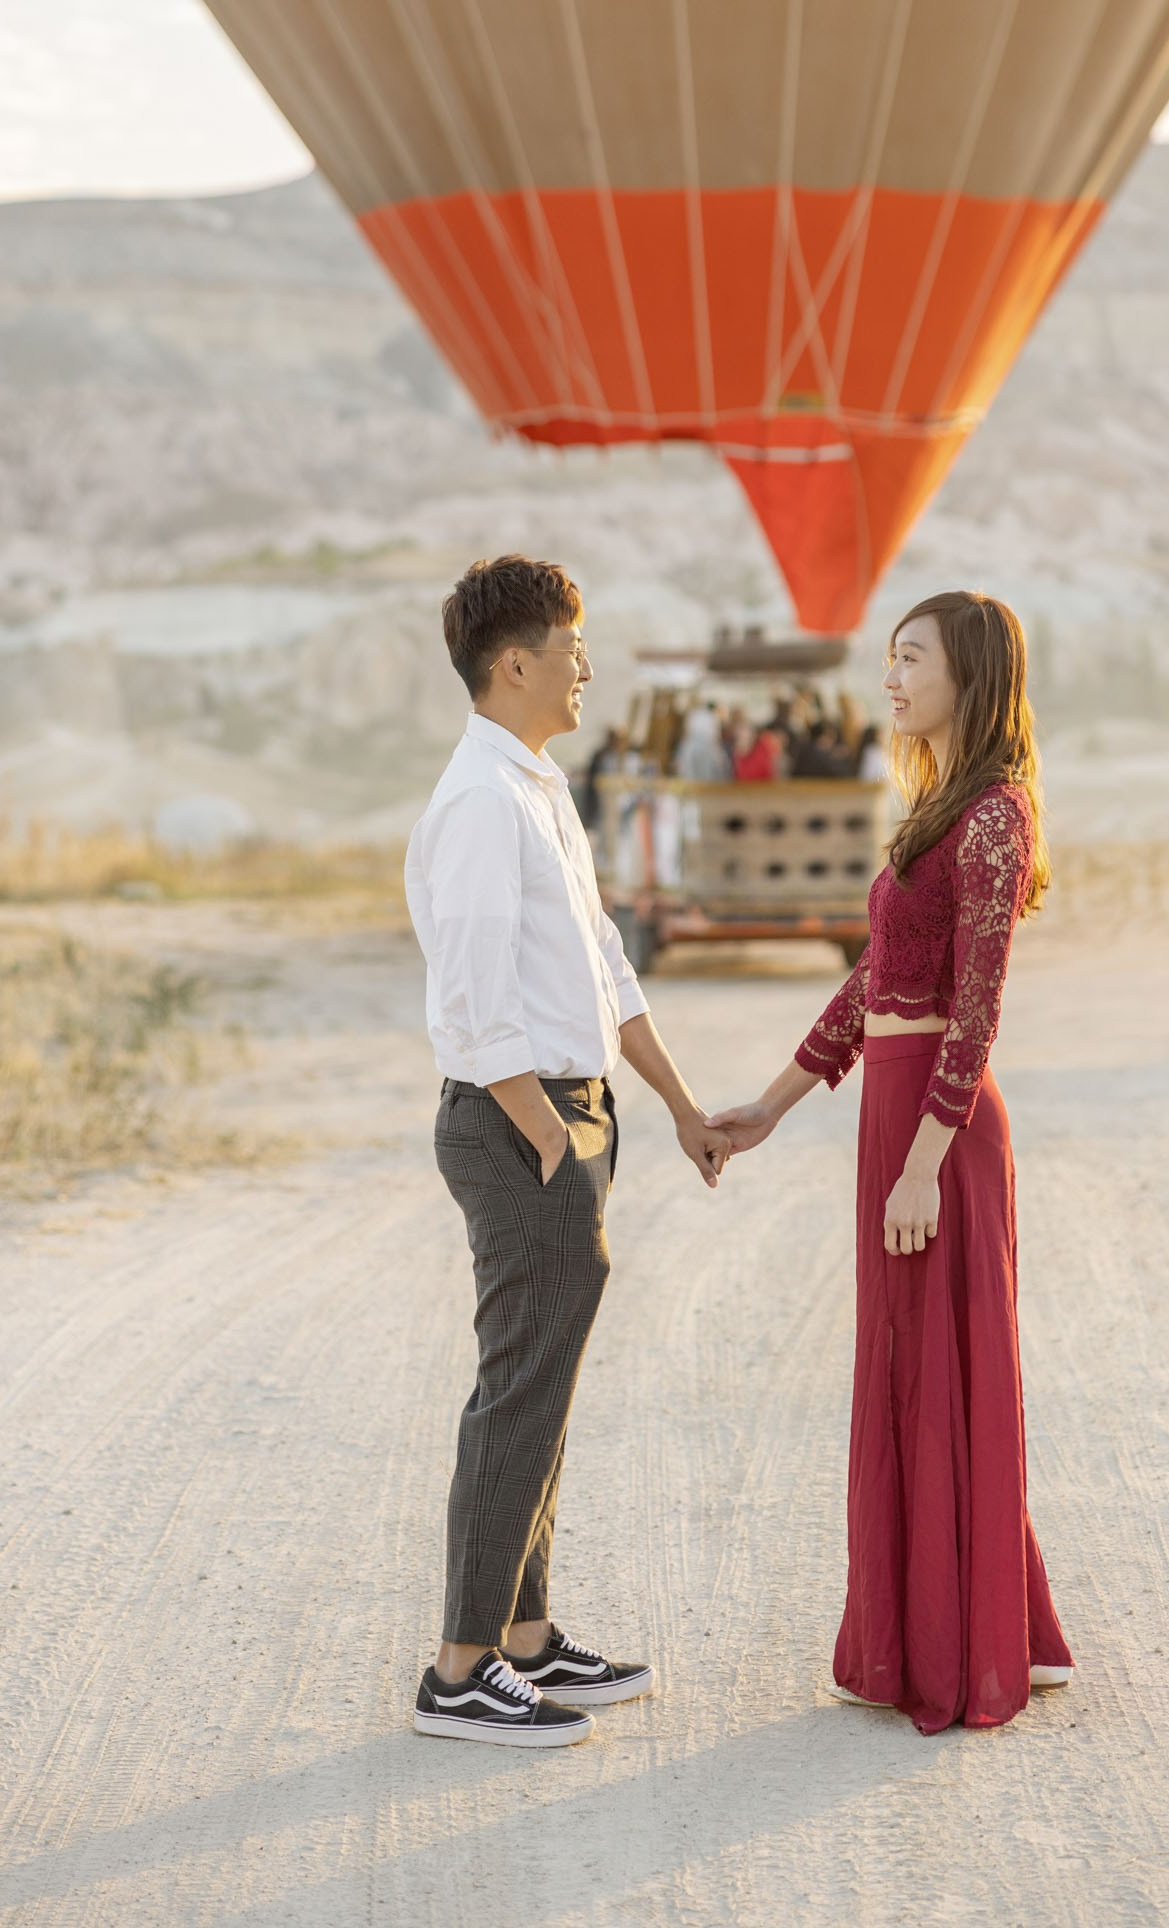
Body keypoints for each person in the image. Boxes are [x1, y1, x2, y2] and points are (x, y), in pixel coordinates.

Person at [708, 589, 1073, 1734]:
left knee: (945, 1373)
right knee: (908, 1370)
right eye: (890, 658)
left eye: (910, 658)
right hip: (893, 1118)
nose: (891, 679)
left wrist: (923, 1163)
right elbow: (876, 983)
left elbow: (975, 1011)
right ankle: (979, 1625)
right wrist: (776, 1100)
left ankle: (972, 1643)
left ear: (969, 672)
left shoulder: (998, 816)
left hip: (941, 1137)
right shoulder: (932, 808)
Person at [406, 555, 730, 1748]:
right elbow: (475, 995)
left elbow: (603, 963)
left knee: (542, 1385)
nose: (588, 664)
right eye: (572, 645)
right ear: (515, 663)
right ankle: (459, 1669)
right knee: (517, 1388)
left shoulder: (537, 786)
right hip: (517, 1117)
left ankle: (528, 1641)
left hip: (571, 1108)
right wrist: (546, 1131)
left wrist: (681, 1106)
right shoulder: (482, 803)